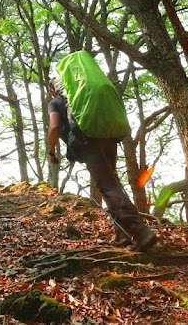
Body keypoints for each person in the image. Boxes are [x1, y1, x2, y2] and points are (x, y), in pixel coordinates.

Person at [45, 50, 158, 252]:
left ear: (54, 88)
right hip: (107, 136)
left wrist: (51, 152)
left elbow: (53, 128)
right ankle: (122, 235)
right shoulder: (80, 95)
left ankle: (140, 231)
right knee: (111, 182)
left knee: (107, 186)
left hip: (88, 141)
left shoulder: (57, 102)